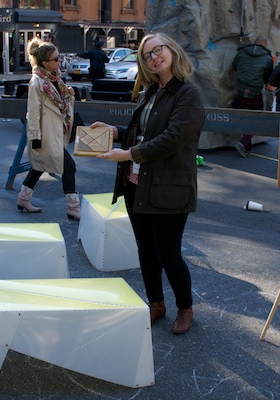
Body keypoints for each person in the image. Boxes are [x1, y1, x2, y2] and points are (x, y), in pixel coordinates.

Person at [89, 32, 205, 335]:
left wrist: (126, 153)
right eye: (147, 55)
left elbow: (170, 140)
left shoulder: (187, 94)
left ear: (172, 50)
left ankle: (185, 308)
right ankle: (156, 303)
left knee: (169, 253)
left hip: (169, 187)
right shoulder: (153, 91)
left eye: (158, 50)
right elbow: (145, 132)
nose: (154, 57)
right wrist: (115, 131)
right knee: (146, 250)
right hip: (137, 183)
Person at [16, 38, 80, 220]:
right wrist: (35, 137)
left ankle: (23, 199)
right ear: (45, 63)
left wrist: (68, 95)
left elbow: (59, 105)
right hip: (46, 135)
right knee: (69, 166)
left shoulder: (54, 79)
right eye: (56, 59)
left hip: (55, 131)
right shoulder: (37, 83)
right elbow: (33, 113)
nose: (59, 62)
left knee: (39, 165)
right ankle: (73, 207)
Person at [231, 35, 273, 157]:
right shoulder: (267, 58)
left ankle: (247, 146)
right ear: (264, 45)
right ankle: (244, 142)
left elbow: (234, 66)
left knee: (243, 115)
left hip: (239, 89)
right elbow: (267, 76)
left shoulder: (242, 51)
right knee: (256, 119)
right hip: (254, 91)